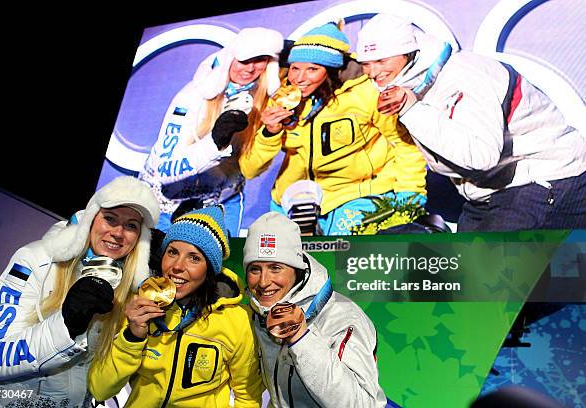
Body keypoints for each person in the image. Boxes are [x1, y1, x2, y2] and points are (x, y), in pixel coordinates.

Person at [356, 13, 586, 232]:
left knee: (488, 268)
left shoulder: (465, 74)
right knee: (460, 266)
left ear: (408, 52)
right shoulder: (411, 86)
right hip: (489, 189)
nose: (372, 71)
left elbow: (480, 156)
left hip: (546, 175)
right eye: (365, 63)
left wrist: (412, 110)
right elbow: (445, 160)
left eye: (380, 60)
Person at [0, 176, 160, 407]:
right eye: (110, 218)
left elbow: (101, 384)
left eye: (131, 225)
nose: (118, 233)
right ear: (91, 219)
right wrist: (66, 324)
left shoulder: (131, 290)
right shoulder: (36, 259)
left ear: (139, 240)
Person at [239, 21, 427, 236]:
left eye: (312, 69)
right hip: (294, 200)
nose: (299, 78)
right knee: (283, 261)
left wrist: (410, 197)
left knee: (343, 258)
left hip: (356, 196)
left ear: (330, 71)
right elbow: (249, 170)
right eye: (295, 68)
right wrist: (269, 132)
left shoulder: (367, 94)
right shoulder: (284, 98)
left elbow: (404, 146)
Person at [88, 205, 264, 407]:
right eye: (172, 252)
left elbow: (248, 398)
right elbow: (100, 389)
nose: (178, 266)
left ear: (210, 269)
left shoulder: (237, 320)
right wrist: (132, 336)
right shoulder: (137, 306)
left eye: (194, 258)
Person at [139, 27, 285, 236]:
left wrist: (270, 134)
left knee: (224, 267)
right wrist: (215, 142)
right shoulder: (192, 96)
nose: (251, 68)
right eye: (244, 60)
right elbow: (164, 172)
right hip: (167, 203)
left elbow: (250, 170)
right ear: (229, 60)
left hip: (223, 203)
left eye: (260, 60)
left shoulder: (264, 99)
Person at [243, 211, 387, 407]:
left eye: (275, 268)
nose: (264, 281)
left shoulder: (344, 319)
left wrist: (302, 339)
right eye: (255, 269)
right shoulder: (257, 313)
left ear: (296, 269)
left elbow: (361, 404)